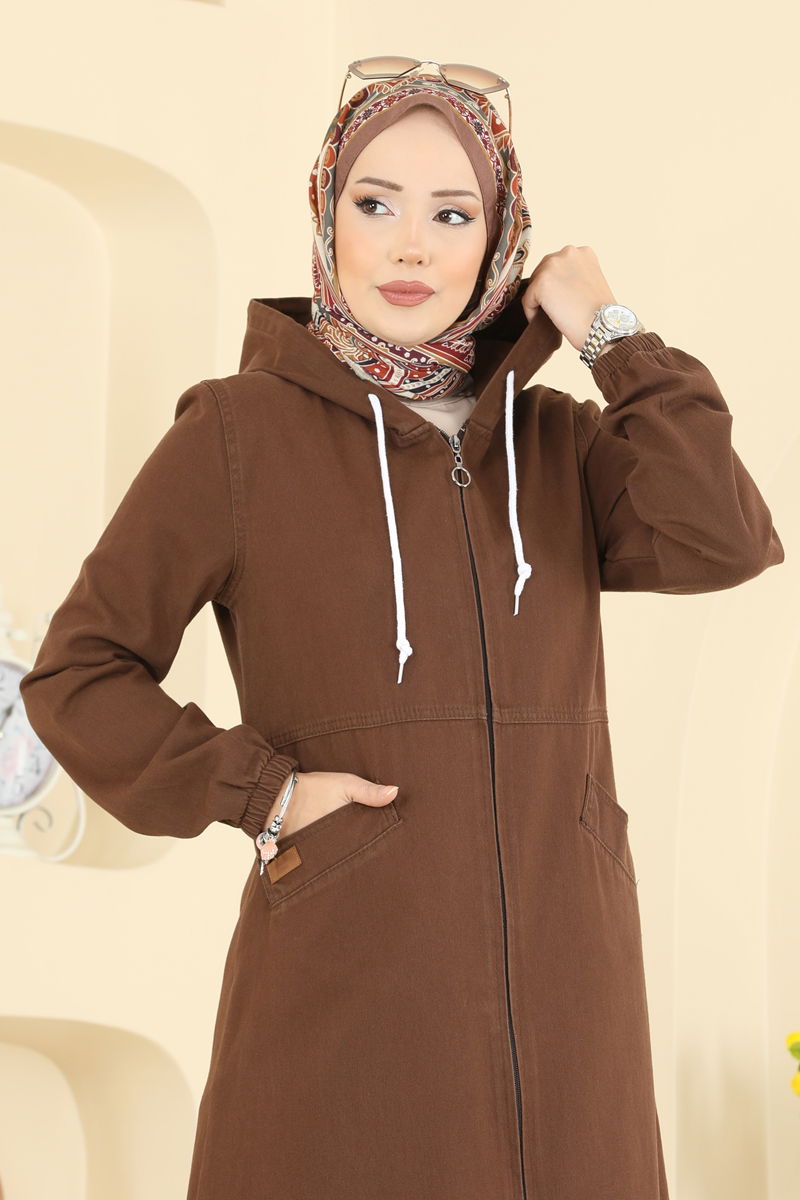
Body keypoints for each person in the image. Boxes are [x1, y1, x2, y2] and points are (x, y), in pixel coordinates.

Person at [20, 59, 784, 1200]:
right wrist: (265, 793)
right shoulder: (235, 434)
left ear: (501, 240)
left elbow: (722, 537)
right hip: (348, 991)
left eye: (453, 214)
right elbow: (78, 673)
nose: (410, 246)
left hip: (570, 997)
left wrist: (608, 333)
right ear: (326, 217)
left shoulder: (558, 442)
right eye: (374, 204)